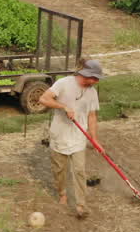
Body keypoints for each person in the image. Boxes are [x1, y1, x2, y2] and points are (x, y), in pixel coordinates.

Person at [39, 58, 103, 218]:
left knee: (79, 171)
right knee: (59, 170)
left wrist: (94, 139)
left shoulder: (92, 92)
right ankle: (62, 193)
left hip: (78, 137)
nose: (96, 81)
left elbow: (92, 116)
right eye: (94, 78)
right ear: (84, 74)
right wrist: (64, 107)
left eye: (97, 78)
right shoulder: (64, 83)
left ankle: (81, 205)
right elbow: (43, 99)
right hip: (59, 134)